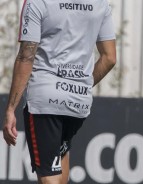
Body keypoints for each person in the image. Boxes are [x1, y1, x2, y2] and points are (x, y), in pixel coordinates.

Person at [2, 0, 116, 183]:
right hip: (78, 101)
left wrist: (10, 109)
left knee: (48, 176)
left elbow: (26, 56)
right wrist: (82, 85)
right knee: (58, 161)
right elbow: (109, 58)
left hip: (45, 101)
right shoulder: (100, 3)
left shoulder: (37, 2)